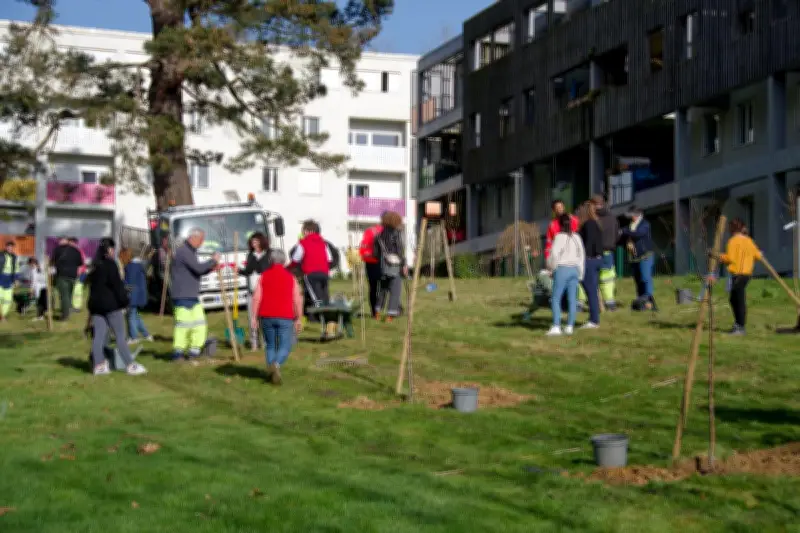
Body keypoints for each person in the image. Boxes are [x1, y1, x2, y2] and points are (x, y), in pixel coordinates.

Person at [86, 238, 147, 376]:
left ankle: (99, 365)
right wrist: (125, 301)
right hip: (111, 306)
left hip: (95, 306)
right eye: (112, 249)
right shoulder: (110, 264)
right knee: (120, 336)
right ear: (109, 250)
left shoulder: (94, 265)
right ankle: (130, 365)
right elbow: (117, 286)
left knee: (99, 336)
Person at [251, 249, 303, 385]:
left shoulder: (263, 276)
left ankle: (270, 373)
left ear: (270, 261)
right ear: (284, 261)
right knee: (285, 345)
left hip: (266, 315)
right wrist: (299, 317)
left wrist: (254, 317)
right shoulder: (291, 278)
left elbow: (256, 297)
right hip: (285, 315)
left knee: (270, 345)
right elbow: (297, 299)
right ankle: (277, 364)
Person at [170, 228, 221, 361]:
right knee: (184, 325)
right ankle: (178, 353)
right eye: (201, 239)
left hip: (191, 295)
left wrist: (210, 269)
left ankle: (194, 351)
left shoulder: (191, 252)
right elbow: (198, 268)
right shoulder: (184, 252)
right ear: (193, 238)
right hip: (182, 295)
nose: (202, 242)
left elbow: (196, 271)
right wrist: (213, 260)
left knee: (200, 324)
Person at [710, 218, 762, 335]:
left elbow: (730, 259)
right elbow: (758, 256)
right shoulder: (749, 241)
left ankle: (740, 327)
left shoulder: (733, 241)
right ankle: (738, 325)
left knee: (738, 300)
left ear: (732, 229)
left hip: (738, 274)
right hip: (747, 274)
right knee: (734, 298)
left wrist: (717, 256)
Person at [546, 214, 585, 336]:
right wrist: (580, 273)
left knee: (556, 298)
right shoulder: (577, 237)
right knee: (572, 299)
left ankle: (556, 326)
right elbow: (581, 256)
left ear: (559, 224)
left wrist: (551, 268)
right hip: (575, 269)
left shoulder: (559, 237)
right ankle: (569, 326)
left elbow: (554, 255)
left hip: (562, 269)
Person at [289, 220, 338, 308]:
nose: (303, 232)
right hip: (324, 273)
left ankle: (317, 314)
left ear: (307, 231)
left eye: (303, 230)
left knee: (314, 297)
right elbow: (329, 259)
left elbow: (295, 260)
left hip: (310, 273)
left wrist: (288, 268)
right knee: (324, 294)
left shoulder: (303, 243)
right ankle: (327, 311)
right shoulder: (324, 243)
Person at [239, 232, 271, 350]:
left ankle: (265, 342)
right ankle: (254, 342)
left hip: (265, 291)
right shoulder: (250, 255)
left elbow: (264, 269)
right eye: (252, 242)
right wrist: (238, 270)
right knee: (252, 317)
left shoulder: (267, 254)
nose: (254, 243)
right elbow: (248, 271)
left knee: (264, 318)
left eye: (256, 241)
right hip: (252, 291)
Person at [373, 211, 407, 322]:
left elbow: (375, 253)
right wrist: (404, 264)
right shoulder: (396, 234)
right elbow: (400, 251)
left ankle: (377, 312)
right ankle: (390, 315)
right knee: (395, 290)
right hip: (395, 266)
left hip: (382, 266)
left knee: (382, 290)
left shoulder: (379, 236)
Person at [621, 206, 656, 310]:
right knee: (638, 280)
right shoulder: (630, 226)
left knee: (645, 278)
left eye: (632, 215)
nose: (631, 218)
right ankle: (641, 301)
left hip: (645, 255)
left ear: (637, 215)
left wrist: (624, 231)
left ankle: (648, 299)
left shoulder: (645, 224)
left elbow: (638, 234)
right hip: (635, 257)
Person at [591, 194, 619, 310]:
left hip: (594, 251)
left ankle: (581, 303)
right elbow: (617, 234)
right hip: (608, 251)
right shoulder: (612, 218)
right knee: (607, 278)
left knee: (590, 276)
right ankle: (610, 302)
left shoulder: (592, 218)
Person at [578, 201, 603, 329]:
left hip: (590, 260)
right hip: (596, 259)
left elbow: (589, 242)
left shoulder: (589, 224)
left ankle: (594, 320)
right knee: (592, 289)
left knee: (590, 289)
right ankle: (594, 318)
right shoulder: (595, 224)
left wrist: (584, 257)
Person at [121, 248, 153, 344]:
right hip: (139, 294)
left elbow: (129, 284)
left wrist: (121, 283)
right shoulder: (139, 265)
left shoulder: (130, 267)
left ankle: (133, 337)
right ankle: (146, 335)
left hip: (132, 295)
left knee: (130, 316)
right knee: (135, 316)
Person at [51, 236, 83, 321]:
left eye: (60, 240)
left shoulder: (57, 249)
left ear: (65, 240)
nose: (59, 242)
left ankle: (65, 315)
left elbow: (52, 261)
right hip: (72, 276)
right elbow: (80, 263)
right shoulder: (76, 250)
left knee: (64, 296)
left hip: (62, 275)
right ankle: (67, 311)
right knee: (68, 295)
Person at [359, 218, 384, 317]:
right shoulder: (385, 231)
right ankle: (383, 308)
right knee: (384, 287)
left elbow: (363, 247)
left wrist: (364, 255)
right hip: (383, 262)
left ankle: (374, 311)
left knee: (373, 287)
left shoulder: (369, 231)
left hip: (370, 261)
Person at [0, 241, 19, 321]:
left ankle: (3, 315)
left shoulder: (14, 257)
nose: (10, 248)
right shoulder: (1, 255)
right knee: (0, 298)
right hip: (1, 277)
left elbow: (16, 269)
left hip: (9, 279)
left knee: (8, 299)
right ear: (6, 247)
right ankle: (1, 316)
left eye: (11, 247)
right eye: (8, 246)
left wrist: (16, 279)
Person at [69, 238, 87, 313]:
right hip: (74, 273)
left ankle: (77, 307)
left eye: (70, 243)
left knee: (77, 290)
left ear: (74, 243)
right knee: (73, 290)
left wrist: (78, 273)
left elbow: (81, 263)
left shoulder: (78, 251)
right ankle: (73, 306)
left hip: (80, 273)